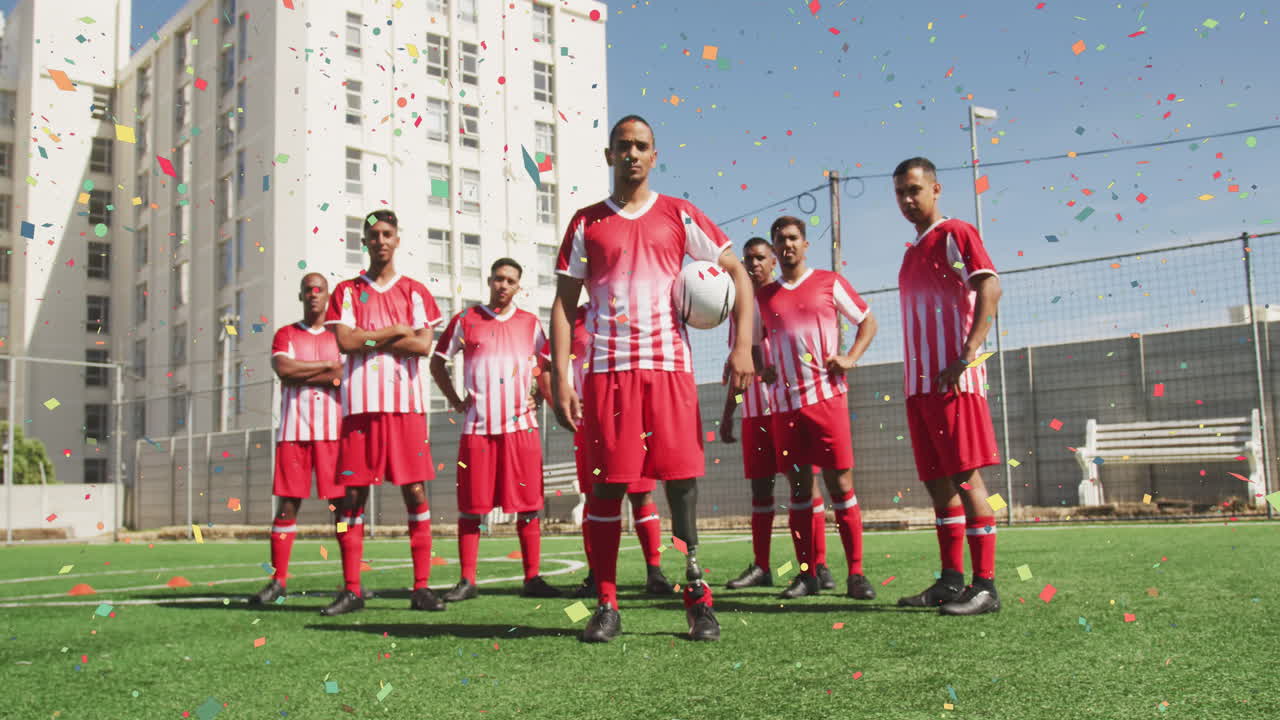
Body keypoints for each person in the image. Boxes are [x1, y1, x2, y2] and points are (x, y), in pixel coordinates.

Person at [550, 114, 755, 643]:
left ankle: (698, 597)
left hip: (669, 369)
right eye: (623, 146)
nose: (632, 154)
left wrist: (741, 346)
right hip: (607, 373)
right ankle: (606, 604)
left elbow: (737, 275)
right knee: (605, 488)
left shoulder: (679, 213)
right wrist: (561, 378)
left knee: (682, 484)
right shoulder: (586, 223)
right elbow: (563, 304)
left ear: (654, 154)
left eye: (641, 146)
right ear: (609, 155)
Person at [320, 209, 447, 616]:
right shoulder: (346, 291)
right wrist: (395, 332)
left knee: (415, 492)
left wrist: (368, 340)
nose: (380, 240)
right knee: (350, 499)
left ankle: (422, 587)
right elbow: (345, 341)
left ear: (397, 238)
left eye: (387, 233)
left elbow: (423, 345)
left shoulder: (415, 291)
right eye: (373, 234)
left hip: (405, 408)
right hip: (359, 408)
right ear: (365, 241)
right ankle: (352, 588)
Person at [891, 157, 1004, 616]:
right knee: (938, 485)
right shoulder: (910, 251)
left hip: (954, 380)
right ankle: (951, 580)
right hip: (920, 386)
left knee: (967, 477)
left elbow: (991, 287)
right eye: (900, 193)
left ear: (936, 189)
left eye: (915, 190)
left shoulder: (955, 233)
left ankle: (986, 587)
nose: (907, 199)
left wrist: (967, 354)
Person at [755, 216, 879, 601]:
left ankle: (856, 574)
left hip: (827, 399)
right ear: (775, 250)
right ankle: (807, 573)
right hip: (785, 407)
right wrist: (763, 367)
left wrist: (851, 357)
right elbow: (751, 343)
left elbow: (868, 321)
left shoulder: (829, 283)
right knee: (798, 490)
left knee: (841, 486)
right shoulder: (762, 297)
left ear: (805, 244)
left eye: (793, 238)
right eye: (780, 240)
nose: (787, 245)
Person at [428, 258, 562, 601]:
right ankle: (467, 581)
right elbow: (437, 361)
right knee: (472, 507)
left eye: (510, 281)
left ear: (519, 287)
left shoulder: (530, 323)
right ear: (489, 280)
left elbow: (544, 369)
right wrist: (456, 400)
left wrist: (541, 399)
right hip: (478, 428)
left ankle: (532, 578)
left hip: (521, 428)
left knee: (529, 505)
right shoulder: (466, 320)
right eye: (498, 279)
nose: (503, 285)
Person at [720, 238, 835, 591]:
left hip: (787, 408)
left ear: (773, 262)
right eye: (748, 259)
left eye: (759, 258)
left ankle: (818, 565)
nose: (753, 265)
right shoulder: (740, 309)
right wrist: (729, 413)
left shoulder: (782, 300)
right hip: (754, 412)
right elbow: (740, 369)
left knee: (804, 485)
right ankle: (762, 566)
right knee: (761, 490)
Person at [564, 300, 675, 600]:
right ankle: (596, 575)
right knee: (594, 496)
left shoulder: (630, 308)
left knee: (641, 493)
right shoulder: (571, 316)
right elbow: (548, 366)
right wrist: (564, 398)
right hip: (588, 421)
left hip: (631, 411)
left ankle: (655, 572)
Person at [249, 273, 345, 605]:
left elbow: (340, 376)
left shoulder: (339, 336)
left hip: (334, 434)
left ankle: (351, 582)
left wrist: (310, 371)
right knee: (287, 507)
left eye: (319, 290)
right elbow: (285, 371)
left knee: (342, 510)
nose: (314, 295)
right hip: (294, 433)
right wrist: (323, 368)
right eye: (308, 290)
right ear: (301, 296)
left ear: (328, 296)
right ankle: (278, 581)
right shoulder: (286, 334)